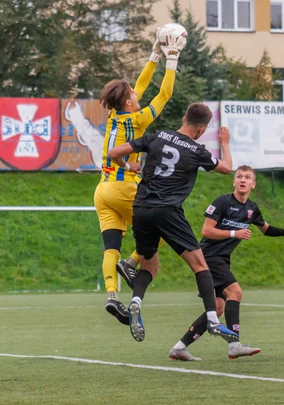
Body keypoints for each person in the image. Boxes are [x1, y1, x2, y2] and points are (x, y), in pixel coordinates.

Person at [107, 104, 239, 345]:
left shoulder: (156, 136)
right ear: (201, 130)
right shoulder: (197, 150)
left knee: (149, 266)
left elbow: (114, 152)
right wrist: (225, 142)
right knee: (200, 265)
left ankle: (136, 301)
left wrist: (128, 166)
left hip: (141, 209)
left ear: (183, 117)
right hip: (168, 211)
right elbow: (227, 168)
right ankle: (212, 319)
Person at [94, 29, 185, 325]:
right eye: (133, 94)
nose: (136, 93)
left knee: (110, 246)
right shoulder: (139, 118)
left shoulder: (114, 116)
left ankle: (111, 296)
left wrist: (154, 55)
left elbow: (141, 85)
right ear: (130, 103)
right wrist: (172, 58)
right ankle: (131, 263)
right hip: (124, 188)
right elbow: (165, 93)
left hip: (103, 191)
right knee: (160, 232)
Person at [168, 165, 284, 361]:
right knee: (235, 292)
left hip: (222, 259)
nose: (243, 179)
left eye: (247, 177)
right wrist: (233, 233)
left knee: (218, 308)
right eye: (239, 176)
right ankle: (234, 345)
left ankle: (180, 347)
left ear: (253, 185)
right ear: (234, 181)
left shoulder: (251, 209)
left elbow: (265, 229)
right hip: (208, 256)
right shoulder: (222, 202)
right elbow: (206, 231)